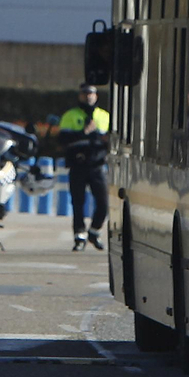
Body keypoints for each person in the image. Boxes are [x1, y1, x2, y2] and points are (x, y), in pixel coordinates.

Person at [58, 83, 110, 251]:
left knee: (103, 203)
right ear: (80, 95)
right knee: (78, 203)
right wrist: (85, 132)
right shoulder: (70, 116)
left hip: (97, 166)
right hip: (78, 165)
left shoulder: (104, 116)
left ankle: (94, 231)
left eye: (92, 93)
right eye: (85, 93)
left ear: (96, 96)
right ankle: (79, 236)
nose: (88, 96)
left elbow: (109, 140)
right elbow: (63, 141)